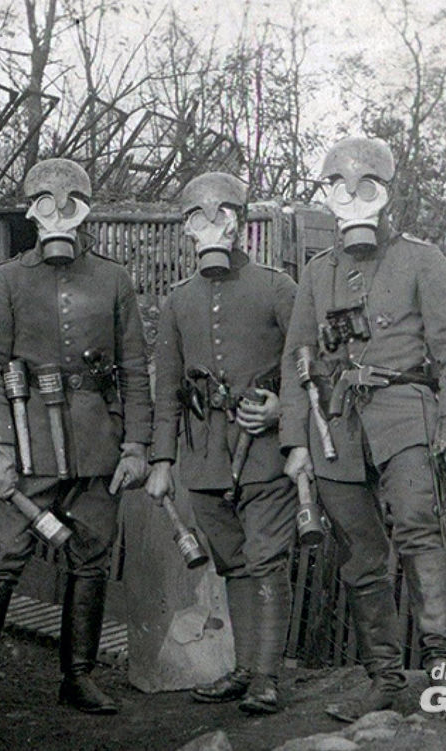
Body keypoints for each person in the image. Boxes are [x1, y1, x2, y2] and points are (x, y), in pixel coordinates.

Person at [0, 157, 152, 733]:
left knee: (91, 557)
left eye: (70, 203)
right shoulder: (5, 280)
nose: (58, 215)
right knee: (0, 559)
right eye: (44, 203)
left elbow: (134, 368)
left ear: (85, 212)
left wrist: (135, 444)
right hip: (26, 446)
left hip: (97, 445)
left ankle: (78, 676)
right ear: (30, 212)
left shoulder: (113, 279)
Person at [277, 136, 446, 722]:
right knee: (361, 555)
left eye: (365, 188)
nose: (352, 200)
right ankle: (383, 678)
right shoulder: (317, 272)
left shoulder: (422, 259)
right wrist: (295, 441)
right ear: (326, 197)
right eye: (339, 190)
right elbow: (297, 358)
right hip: (335, 426)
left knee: (420, 531)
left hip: (405, 413)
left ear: (386, 194)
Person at [145, 172, 298, 714]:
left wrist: (282, 412)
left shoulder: (278, 288)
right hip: (204, 454)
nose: (210, 226)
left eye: (222, 215)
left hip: (264, 451)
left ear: (241, 223)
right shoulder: (177, 301)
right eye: (197, 216)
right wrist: (162, 460)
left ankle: (267, 678)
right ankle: (245, 669)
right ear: (186, 229)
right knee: (233, 563)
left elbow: (309, 367)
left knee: (266, 558)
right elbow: (166, 388)